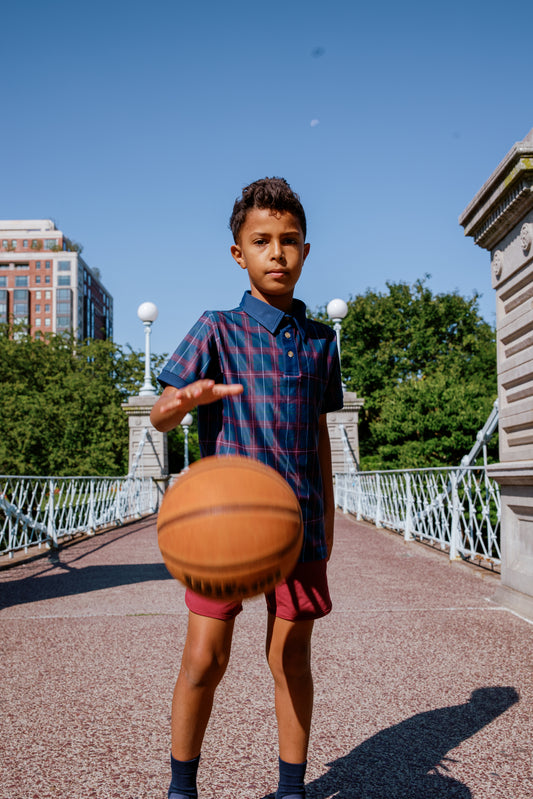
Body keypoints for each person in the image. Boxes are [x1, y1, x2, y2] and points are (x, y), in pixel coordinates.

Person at [150, 177, 343, 799]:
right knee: (205, 659)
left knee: (290, 660)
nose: (277, 252)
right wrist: (185, 398)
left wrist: (330, 523)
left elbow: (318, 436)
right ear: (240, 253)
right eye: (262, 241)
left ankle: (292, 789)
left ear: (306, 251)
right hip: (223, 527)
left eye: (289, 241)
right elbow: (159, 414)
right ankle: (183, 789)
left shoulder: (321, 342)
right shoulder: (217, 328)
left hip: (302, 526)